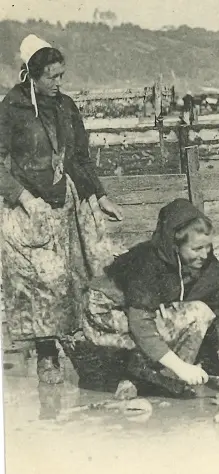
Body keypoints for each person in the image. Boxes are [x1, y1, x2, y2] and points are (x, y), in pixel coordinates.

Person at [0, 35, 124, 384]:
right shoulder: (11, 109)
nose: (59, 83)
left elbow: (79, 158)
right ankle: (46, 355)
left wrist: (99, 196)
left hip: (66, 203)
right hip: (27, 210)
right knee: (44, 282)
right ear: (31, 76)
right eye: (52, 77)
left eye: (61, 76)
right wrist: (23, 197)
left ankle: (83, 348)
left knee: (79, 276)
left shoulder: (67, 106)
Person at [82, 199, 219, 395]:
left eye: (208, 247)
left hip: (140, 317)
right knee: (196, 312)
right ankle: (142, 372)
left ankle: (155, 372)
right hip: (105, 316)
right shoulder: (147, 262)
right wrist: (180, 367)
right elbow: (141, 324)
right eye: (196, 249)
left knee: (199, 312)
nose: (205, 254)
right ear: (176, 246)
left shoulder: (208, 266)